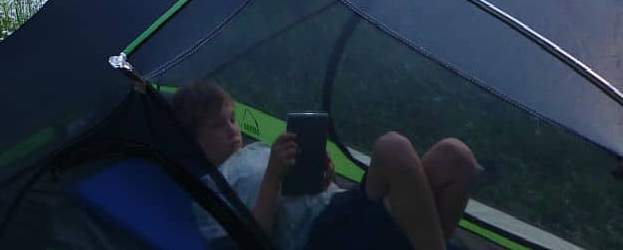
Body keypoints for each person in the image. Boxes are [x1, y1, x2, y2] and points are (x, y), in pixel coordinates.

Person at [172, 81, 479, 250]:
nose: (232, 130)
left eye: (232, 118)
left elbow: (299, 192)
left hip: (343, 205)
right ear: (194, 141)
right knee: (392, 146)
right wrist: (272, 178)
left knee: (456, 157)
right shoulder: (209, 190)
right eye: (217, 126)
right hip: (320, 236)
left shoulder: (258, 150)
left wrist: (321, 179)